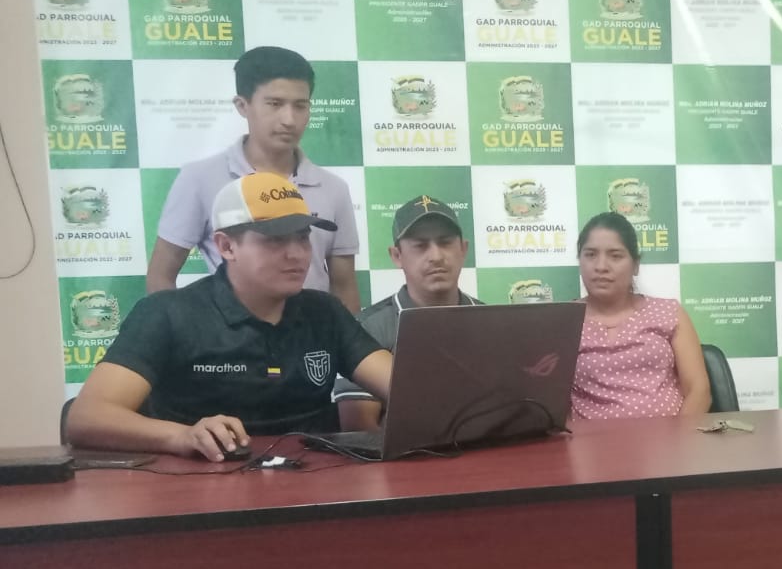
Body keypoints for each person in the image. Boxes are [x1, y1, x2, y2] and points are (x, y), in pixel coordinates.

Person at [67, 173, 392, 463]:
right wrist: (182, 436)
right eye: (276, 239)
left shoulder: (325, 312)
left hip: (316, 487)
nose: (297, 253)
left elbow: (403, 388)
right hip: (200, 489)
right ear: (226, 246)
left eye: (302, 237)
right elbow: (86, 417)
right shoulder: (166, 313)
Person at [146, 45, 361, 313]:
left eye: (300, 106)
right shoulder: (199, 179)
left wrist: (348, 339)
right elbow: (161, 275)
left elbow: (344, 286)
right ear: (242, 106)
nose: (289, 119)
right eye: (275, 104)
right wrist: (187, 333)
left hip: (314, 335)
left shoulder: (333, 188)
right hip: (231, 334)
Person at [332, 195, 482, 431]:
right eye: (420, 245)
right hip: (404, 455)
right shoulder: (366, 329)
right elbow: (358, 428)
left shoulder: (494, 322)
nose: (436, 256)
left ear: (463, 250)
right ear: (397, 256)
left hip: (491, 450)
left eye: (445, 242)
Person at [571, 212, 710, 419]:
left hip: (669, 436)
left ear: (635, 265)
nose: (601, 267)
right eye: (590, 254)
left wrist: (680, 437)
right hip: (588, 438)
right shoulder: (562, 320)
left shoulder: (668, 312)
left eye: (615, 256)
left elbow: (699, 391)